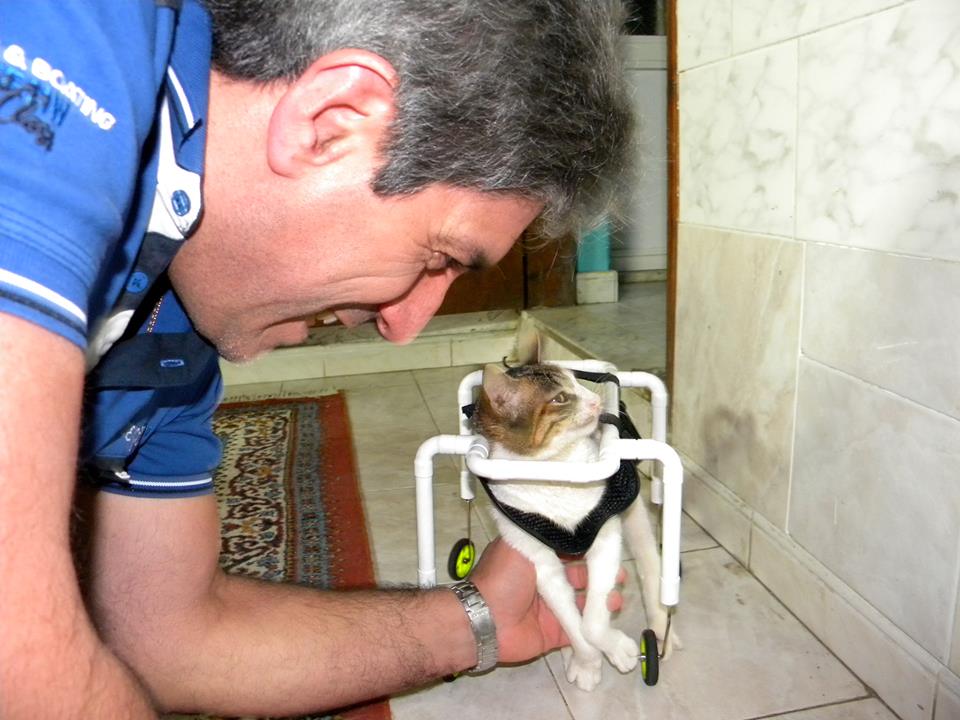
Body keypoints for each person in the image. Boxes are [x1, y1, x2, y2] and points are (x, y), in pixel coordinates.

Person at [0, 1, 632, 717]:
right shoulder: (66, 39)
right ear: (332, 122)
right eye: (439, 258)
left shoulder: (183, 316)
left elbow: (167, 640)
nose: (402, 325)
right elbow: (26, 670)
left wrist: (475, 621)